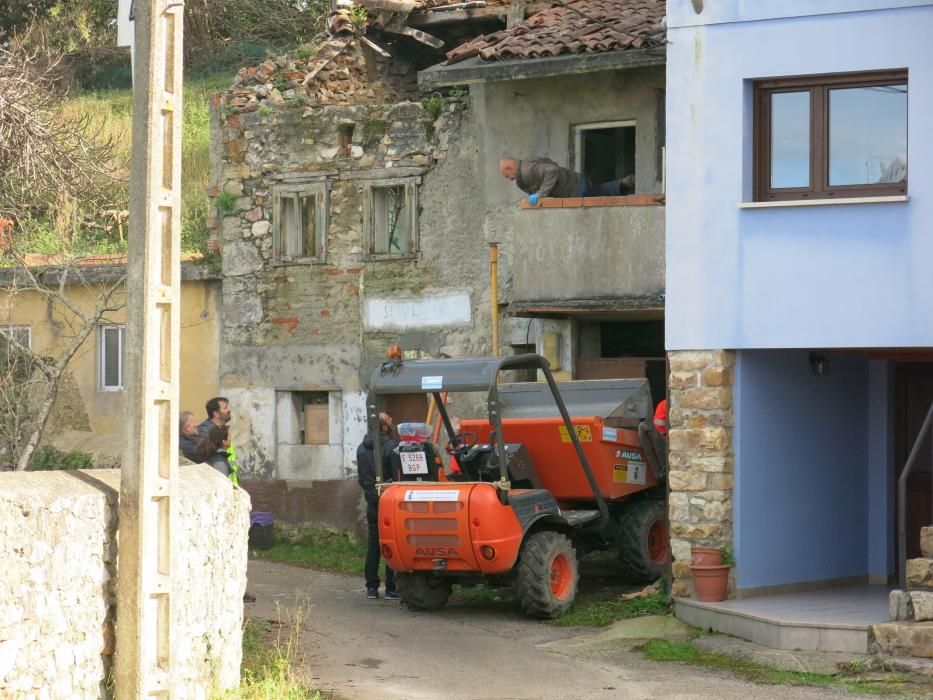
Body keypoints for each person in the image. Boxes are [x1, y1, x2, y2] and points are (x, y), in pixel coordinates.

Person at [357, 411, 398, 600]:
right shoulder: (392, 447)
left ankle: (371, 587)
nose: (392, 421)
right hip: (389, 503)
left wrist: (371, 493)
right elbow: (398, 477)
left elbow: (361, 478)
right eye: (389, 420)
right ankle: (392, 587)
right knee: (391, 542)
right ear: (383, 427)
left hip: (372, 501)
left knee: (374, 543)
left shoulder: (361, 448)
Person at [499, 156, 633, 206]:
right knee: (600, 191)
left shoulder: (527, 169)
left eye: (507, 175)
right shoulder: (527, 166)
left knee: (601, 202)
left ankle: (623, 189)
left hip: (576, 189)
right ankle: (622, 184)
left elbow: (552, 169)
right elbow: (550, 161)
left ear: (510, 167)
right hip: (578, 182)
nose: (509, 179)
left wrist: (540, 194)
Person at [200, 396, 239, 486]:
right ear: (216, 414)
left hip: (229, 482)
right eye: (225, 407)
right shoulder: (206, 432)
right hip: (220, 484)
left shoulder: (221, 429)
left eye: (228, 406)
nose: (229, 409)